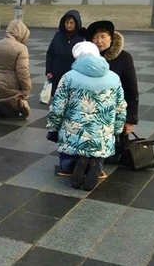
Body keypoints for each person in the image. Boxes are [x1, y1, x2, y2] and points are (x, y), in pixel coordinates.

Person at [48, 41, 127, 191]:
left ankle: (73, 165)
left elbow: (57, 107)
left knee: (65, 159)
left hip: (74, 134)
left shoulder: (69, 77)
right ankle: (95, 165)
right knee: (99, 154)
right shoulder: (114, 77)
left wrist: (53, 129)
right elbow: (121, 107)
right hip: (102, 136)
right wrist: (116, 130)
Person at [85, 20, 139, 163]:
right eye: (95, 37)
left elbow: (131, 90)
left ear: (111, 38)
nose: (99, 41)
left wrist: (130, 119)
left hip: (114, 115)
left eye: (103, 36)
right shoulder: (86, 59)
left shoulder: (124, 58)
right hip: (90, 114)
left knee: (111, 158)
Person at [0, 19, 32, 121]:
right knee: (19, 109)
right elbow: (22, 72)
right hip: (11, 90)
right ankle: (0, 106)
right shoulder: (21, 48)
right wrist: (26, 90)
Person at [45, 10, 83, 99]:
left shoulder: (82, 37)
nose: (68, 25)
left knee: (72, 99)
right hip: (57, 72)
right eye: (67, 23)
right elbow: (50, 53)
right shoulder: (58, 35)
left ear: (76, 23)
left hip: (74, 73)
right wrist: (49, 70)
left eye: (71, 23)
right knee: (57, 98)